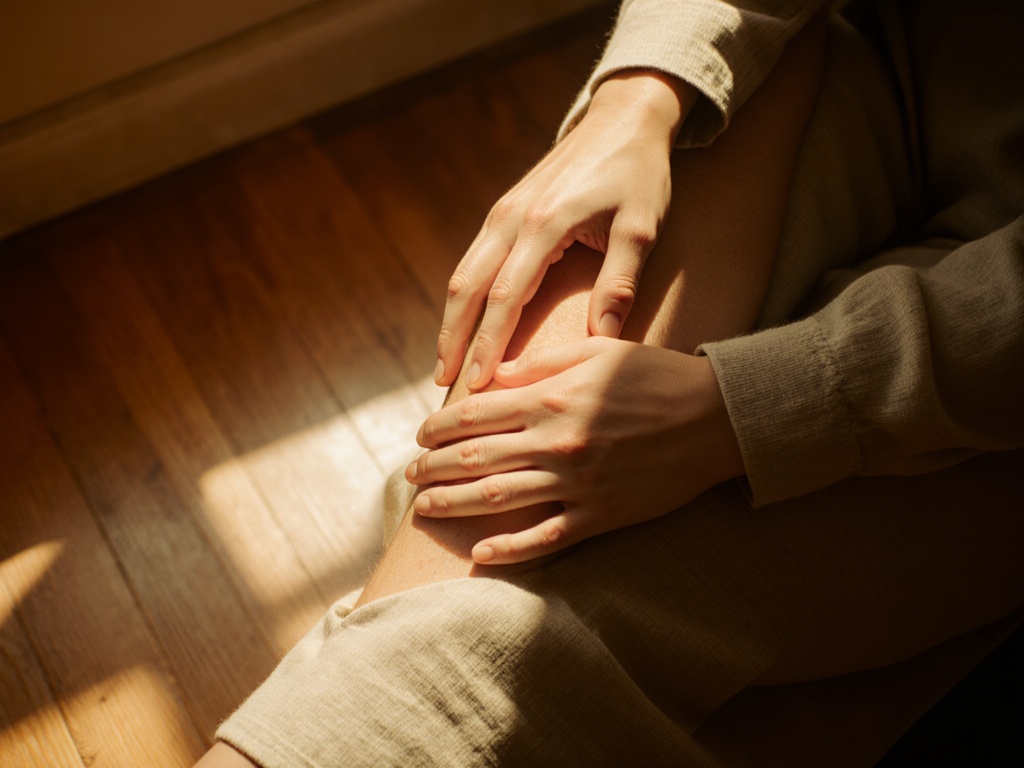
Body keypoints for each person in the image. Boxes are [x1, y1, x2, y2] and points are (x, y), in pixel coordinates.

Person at [197, 0, 1024, 765]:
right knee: (503, 471)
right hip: (885, 55)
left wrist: (743, 411)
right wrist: (636, 101)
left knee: (517, 605)